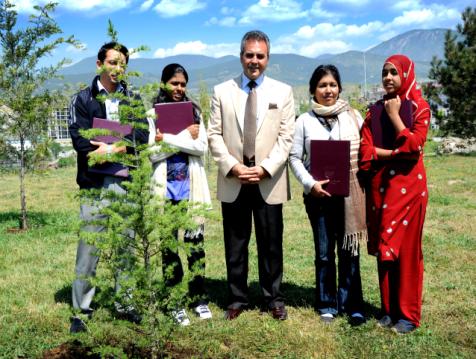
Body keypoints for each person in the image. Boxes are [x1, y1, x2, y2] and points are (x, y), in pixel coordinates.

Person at [207, 30, 295, 320]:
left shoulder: (283, 92)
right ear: (240, 56)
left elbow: (286, 138)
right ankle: (237, 298)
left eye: (260, 55)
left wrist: (265, 168)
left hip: (268, 180)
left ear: (268, 58)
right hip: (235, 178)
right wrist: (233, 166)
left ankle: (274, 298)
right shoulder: (222, 91)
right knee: (235, 242)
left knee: (271, 243)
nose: (254, 61)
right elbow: (214, 135)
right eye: (249, 55)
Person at [68, 42, 149, 333]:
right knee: (89, 249)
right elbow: (79, 139)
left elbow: (142, 134)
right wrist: (104, 147)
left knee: (126, 246)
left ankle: (125, 304)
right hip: (94, 184)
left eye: (122, 64)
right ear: (99, 64)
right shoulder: (81, 98)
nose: (117, 69)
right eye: (112, 62)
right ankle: (81, 311)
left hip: (126, 181)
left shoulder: (133, 97)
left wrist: (116, 149)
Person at [289, 64, 367, 325]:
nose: (328, 90)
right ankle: (326, 303)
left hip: (349, 196)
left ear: (340, 88)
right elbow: (295, 158)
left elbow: (366, 152)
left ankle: (352, 304)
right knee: (324, 253)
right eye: (322, 85)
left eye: (332, 85)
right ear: (313, 89)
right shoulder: (304, 121)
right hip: (318, 197)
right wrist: (310, 183)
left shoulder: (353, 117)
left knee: (350, 250)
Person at [358, 54, 431, 334]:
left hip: (409, 191)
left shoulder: (420, 108)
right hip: (381, 190)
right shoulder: (373, 110)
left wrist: (394, 118)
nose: (388, 77)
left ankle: (408, 315)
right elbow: (366, 152)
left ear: (406, 75)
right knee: (385, 250)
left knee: (408, 252)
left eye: (394, 73)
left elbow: (415, 145)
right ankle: (388, 310)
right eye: (385, 72)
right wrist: (393, 153)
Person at [146, 63, 212, 326]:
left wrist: (169, 140)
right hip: (166, 192)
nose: (179, 88)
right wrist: (185, 135)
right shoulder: (152, 115)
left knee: (196, 247)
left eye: (183, 84)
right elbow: (153, 153)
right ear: (164, 83)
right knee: (169, 249)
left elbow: (201, 148)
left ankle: (199, 298)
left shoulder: (194, 111)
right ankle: (174, 301)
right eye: (174, 83)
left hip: (191, 190)